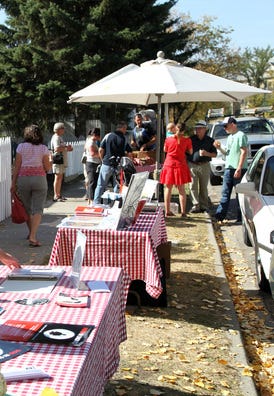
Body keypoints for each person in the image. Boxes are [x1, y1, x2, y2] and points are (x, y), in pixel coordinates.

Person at [10, 125, 51, 247]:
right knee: (38, 209)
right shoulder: (44, 148)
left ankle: (31, 234)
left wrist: (13, 183)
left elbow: (16, 166)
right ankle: (33, 236)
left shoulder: (21, 147)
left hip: (24, 179)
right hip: (39, 179)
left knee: (27, 208)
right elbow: (48, 168)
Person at [214, 116, 248, 223]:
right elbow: (227, 153)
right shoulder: (230, 137)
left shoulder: (241, 135)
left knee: (240, 195)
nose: (224, 128)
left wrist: (239, 168)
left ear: (233, 124)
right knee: (225, 193)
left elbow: (243, 152)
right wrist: (219, 148)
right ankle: (219, 217)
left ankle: (240, 217)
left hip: (238, 169)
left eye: (226, 126)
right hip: (228, 168)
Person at [93, 121, 132, 204]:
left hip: (107, 163)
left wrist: (102, 160)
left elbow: (100, 150)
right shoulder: (124, 138)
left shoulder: (108, 136)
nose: (125, 131)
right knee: (117, 186)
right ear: (123, 128)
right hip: (119, 165)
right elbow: (129, 153)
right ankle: (115, 204)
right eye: (125, 129)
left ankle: (96, 203)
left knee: (100, 185)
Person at [160, 122, 193, 217]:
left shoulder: (168, 139)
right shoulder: (187, 140)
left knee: (168, 188)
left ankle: (167, 210)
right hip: (180, 164)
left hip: (169, 164)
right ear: (183, 130)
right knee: (181, 189)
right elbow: (190, 152)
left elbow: (165, 150)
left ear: (175, 128)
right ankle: (183, 212)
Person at [187, 120, 217, 213]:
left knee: (204, 186)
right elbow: (185, 152)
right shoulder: (190, 139)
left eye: (200, 128)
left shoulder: (210, 140)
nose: (198, 130)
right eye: (196, 129)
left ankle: (204, 205)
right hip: (192, 164)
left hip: (204, 165)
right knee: (192, 185)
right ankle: (195, 205)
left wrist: (206, 153)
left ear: (205, 129)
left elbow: (214, 154)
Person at [50, 122, 73, 202]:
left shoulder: (59, 137)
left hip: (61, 159)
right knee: (57, 177)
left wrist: (67, 148)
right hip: (58, 159)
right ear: (59, 129)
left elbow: (61, 147)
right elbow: (57, 148)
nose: (64, 130)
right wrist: (66, 147)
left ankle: (58, 194)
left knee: (60, 177)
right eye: (63, 128)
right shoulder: (56, 137)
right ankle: (56, 195)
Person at [84, 128, 101, 205]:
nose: (99, 138)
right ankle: (91, 200)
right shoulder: (90, 142)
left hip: (94, 163)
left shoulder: (92, 141)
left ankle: (90, 199)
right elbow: (92, 153)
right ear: (95, 135)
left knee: (93, 182)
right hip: (92, 164)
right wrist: (101, 154)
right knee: (92, 182)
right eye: (98, 136)